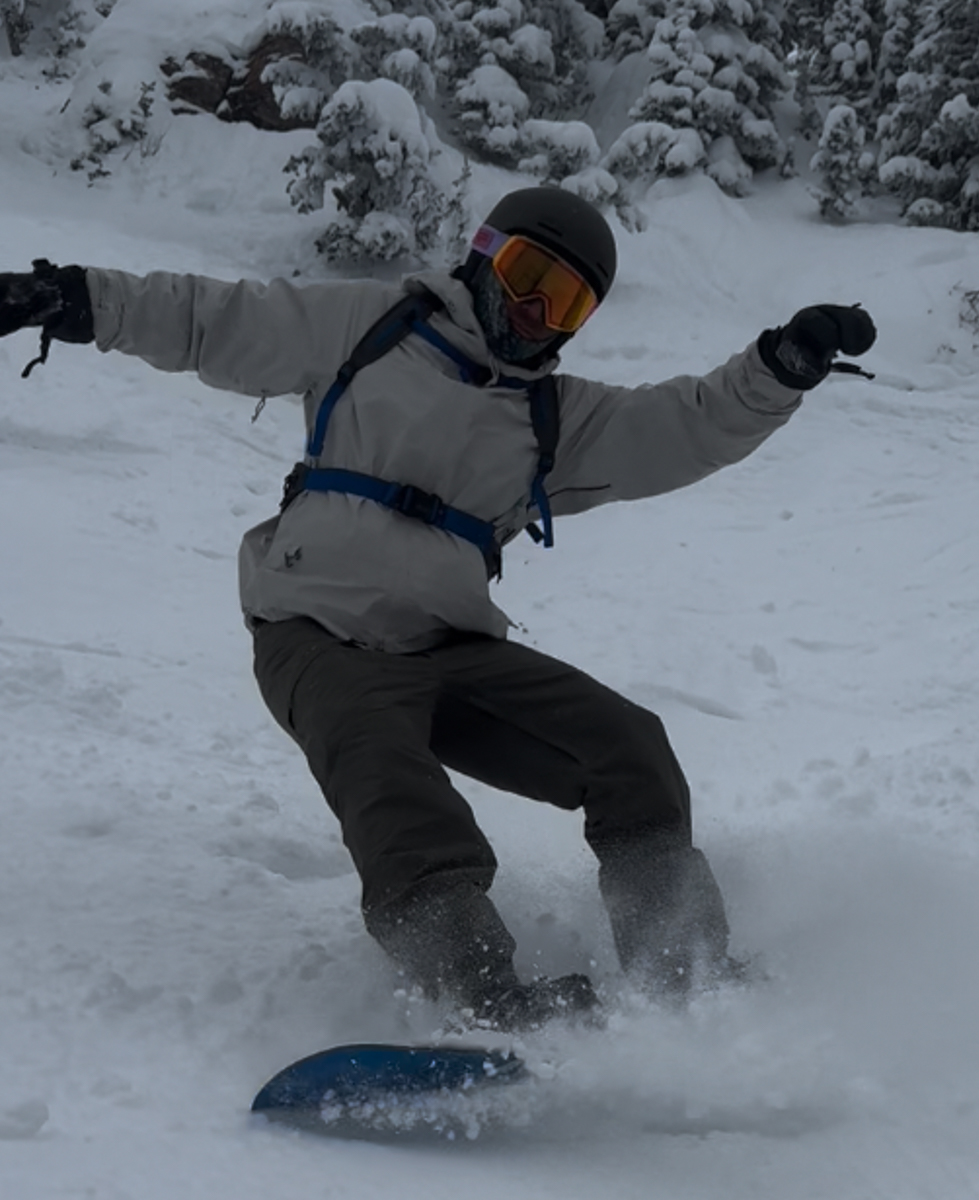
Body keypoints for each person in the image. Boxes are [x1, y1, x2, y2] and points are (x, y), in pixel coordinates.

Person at [0, 187, 876, 1032]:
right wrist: (69, 298)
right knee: (390, 781)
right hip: (317, 633)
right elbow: (208, 317)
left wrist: (778, 370)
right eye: (529, 277)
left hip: (450, 649)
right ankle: (478, 996)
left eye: (565, 302)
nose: (536, 312)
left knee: (629, 748)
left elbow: (687, 424)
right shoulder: (369, 330)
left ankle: (682, 975)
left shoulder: (552, 416)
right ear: (485, 257)